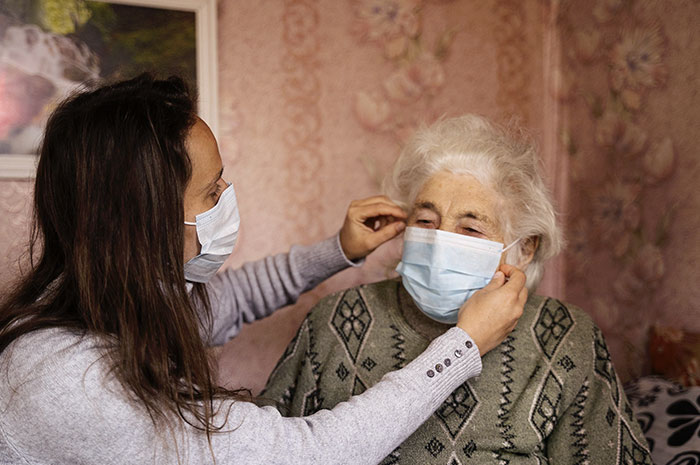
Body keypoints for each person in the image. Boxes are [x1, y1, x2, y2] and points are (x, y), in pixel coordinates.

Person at [0, 75, 527, 464]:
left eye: (470, 228)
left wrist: (338, 249)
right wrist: (462, 347)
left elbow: (231, 300)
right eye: (211, 191)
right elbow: (314, 452)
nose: (227, 198)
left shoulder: (126, 300)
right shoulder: (76, 383)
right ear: (147, 221)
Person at [263, 115, 653, 464]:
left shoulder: (564, 334)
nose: (439, 241)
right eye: (427, 220)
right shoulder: (334, 320)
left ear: (524, 249)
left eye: (470, 228)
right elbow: (268, 449)